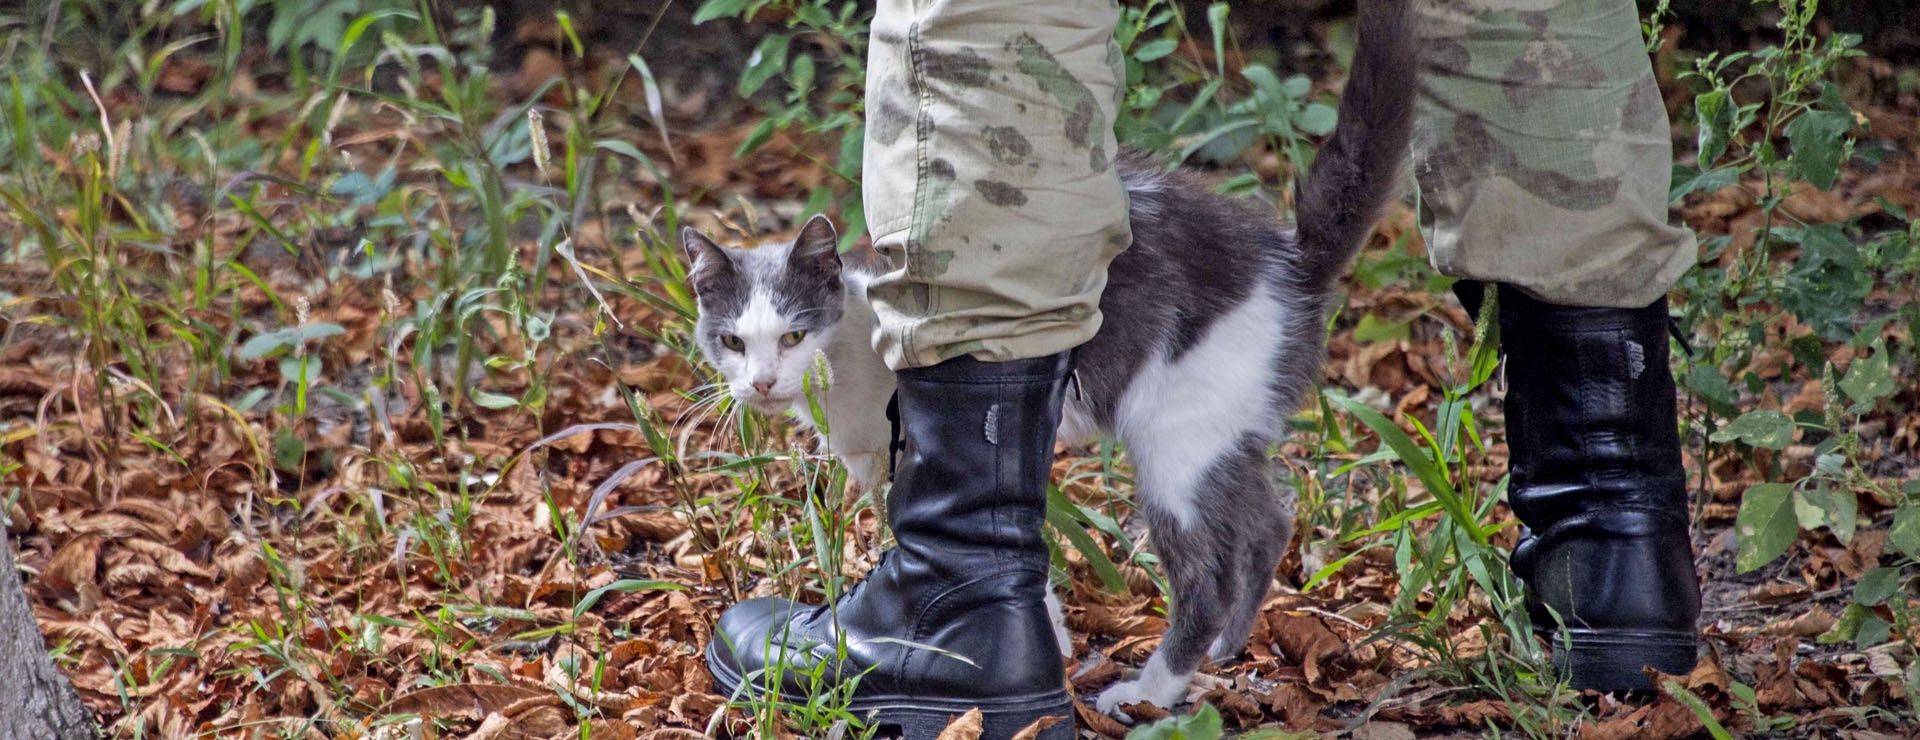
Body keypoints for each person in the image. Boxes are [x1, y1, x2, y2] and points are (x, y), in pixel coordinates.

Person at [705, 0, 1700, 733]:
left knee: (1001, 17)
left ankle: (965, 597)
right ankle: (1613, 544)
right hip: (1216, 307)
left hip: (1201, 324)